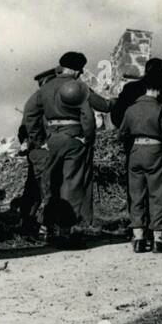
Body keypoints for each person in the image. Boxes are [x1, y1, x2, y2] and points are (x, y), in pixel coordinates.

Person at [37, 51, 110, 246]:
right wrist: (88, 138)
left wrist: (39, 140)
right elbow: (95, 110)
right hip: (74, 139)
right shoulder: (79, 87)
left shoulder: (45, 87)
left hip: (51, 139)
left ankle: (46, 228)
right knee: (72, 183)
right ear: (78, 70)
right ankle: (65, 232)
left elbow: (30, 114)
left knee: (51, 182)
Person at [117, 70, 162, 253]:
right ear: (159, 90)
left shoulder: (131, 109)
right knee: (157, 194)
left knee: (136, 195)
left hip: (135, 152)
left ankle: (138, 238)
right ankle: (159, 239)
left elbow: (121, 134)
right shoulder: (161, 110)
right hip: (156, 152)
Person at [18, 66, 57, 237]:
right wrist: (41, 143)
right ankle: (45, 227)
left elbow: (22, 130)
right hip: (42, 152)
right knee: (48, 190)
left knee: (34, 190)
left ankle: (28, 226)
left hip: (35, 152)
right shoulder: (43, 100)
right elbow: (28, 127)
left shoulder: (36, 99)